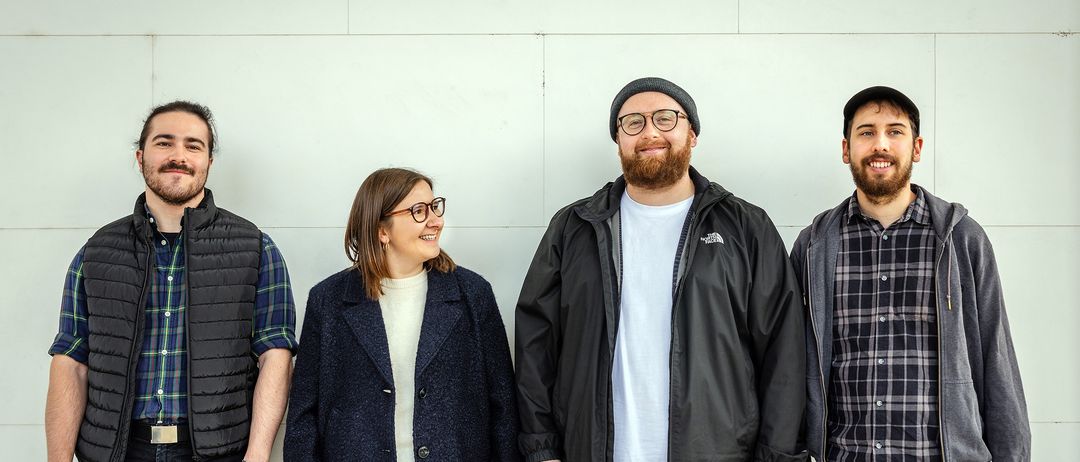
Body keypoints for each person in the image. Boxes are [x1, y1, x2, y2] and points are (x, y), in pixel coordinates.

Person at [515, 77, 806, 461]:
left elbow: (783, 354)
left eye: (666, 118)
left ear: (693, 134)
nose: (650, 131)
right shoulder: (574, 228)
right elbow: (536, 344)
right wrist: (542, 449)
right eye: (633, 122)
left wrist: (779, 456)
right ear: (619, 140)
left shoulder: (746, 228)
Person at [44, 101, 297, 462]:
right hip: (116, 452)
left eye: (193, 145)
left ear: (209, 161)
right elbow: (70, 361)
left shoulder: (256, 249)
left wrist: (257, 455)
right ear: (139, 156)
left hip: (217, 452)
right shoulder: (96, 252)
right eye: (164, 142)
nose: (179, 155)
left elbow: (275, 356)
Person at [789, 86, 1031, 461]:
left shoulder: (962, 240)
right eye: (866, 132)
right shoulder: (814, 247)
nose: (880, 144)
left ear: (916, 147)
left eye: (895, 131)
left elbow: (997, 361)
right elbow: (791, 365)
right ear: (846, 149)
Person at [284, 168, 519, 461]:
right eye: (419, 211)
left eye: (435, 207)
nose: (436, 220)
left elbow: (504, 409)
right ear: (382, 230)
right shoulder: (328, 301)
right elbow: (303, 417)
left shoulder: (473, 294)